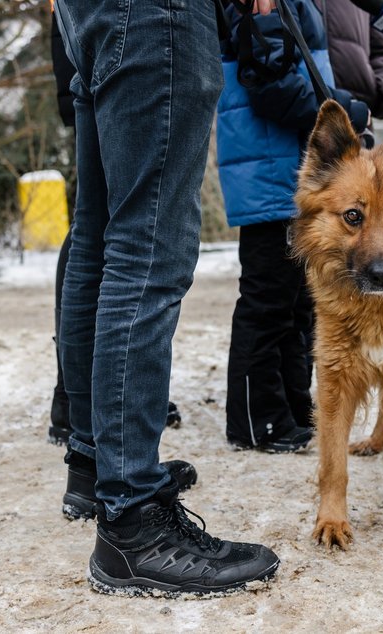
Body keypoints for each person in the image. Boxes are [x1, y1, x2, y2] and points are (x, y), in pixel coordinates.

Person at [51, 0, 281, 596]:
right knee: (147, 248)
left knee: (101, 238)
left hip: (88, 14)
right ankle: (133, 523)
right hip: (157, 12)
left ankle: (96, 464)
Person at [219, 0, 383, 453]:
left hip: (300, 168)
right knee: (267, 298)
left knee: (300, 301)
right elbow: (267, 79)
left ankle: (295, 412)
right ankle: (255, 419)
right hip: (269, 166)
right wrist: (346, 113)